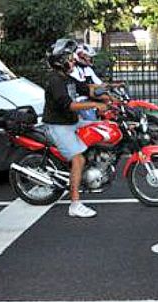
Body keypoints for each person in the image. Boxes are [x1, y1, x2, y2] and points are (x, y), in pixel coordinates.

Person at [42, 39, 108, 218]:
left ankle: (94, 164)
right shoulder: (56, 81)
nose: (73, 61)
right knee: (78, 159)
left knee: (102, 128)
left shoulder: (67, 79)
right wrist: (95, 105)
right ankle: (75, 204)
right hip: (58, 126)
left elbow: (86, 89)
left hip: (71, 123)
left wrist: (109, 92)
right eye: (70, 58)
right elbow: (69, 105)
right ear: (60, 61)